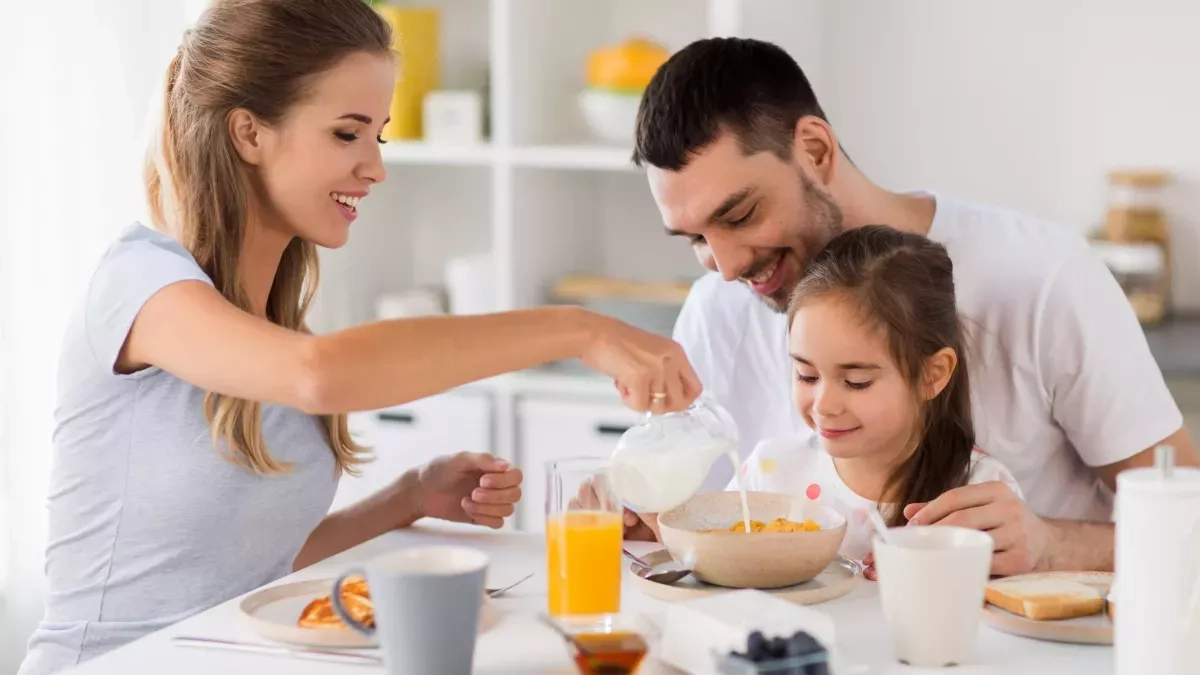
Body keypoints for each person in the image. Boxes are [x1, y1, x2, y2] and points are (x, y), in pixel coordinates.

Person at [19, 2, 699, 674]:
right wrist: (576, 328)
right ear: (248, 133)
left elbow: (250, 564)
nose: (375, 167)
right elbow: (321, 373)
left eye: (379, 135)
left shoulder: (271, 330)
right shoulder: (139, 284)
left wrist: (408, 497)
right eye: (347, 134)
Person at [621, 36, 1198, 576]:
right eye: (695, 239)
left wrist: (1048, 544)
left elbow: (1189, 524)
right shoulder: (717, 311)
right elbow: (701, 536)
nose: (724, 267)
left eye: (740, 215)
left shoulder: (1044, 278)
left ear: (815, 150)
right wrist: (638, 519)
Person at [628, 226, 1025, 580]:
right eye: (806, 375)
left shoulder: (981, 494)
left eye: (856, 381)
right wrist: (652, 518)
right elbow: (712, 570)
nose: (824, 405)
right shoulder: (770, 474)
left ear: (932, 375)